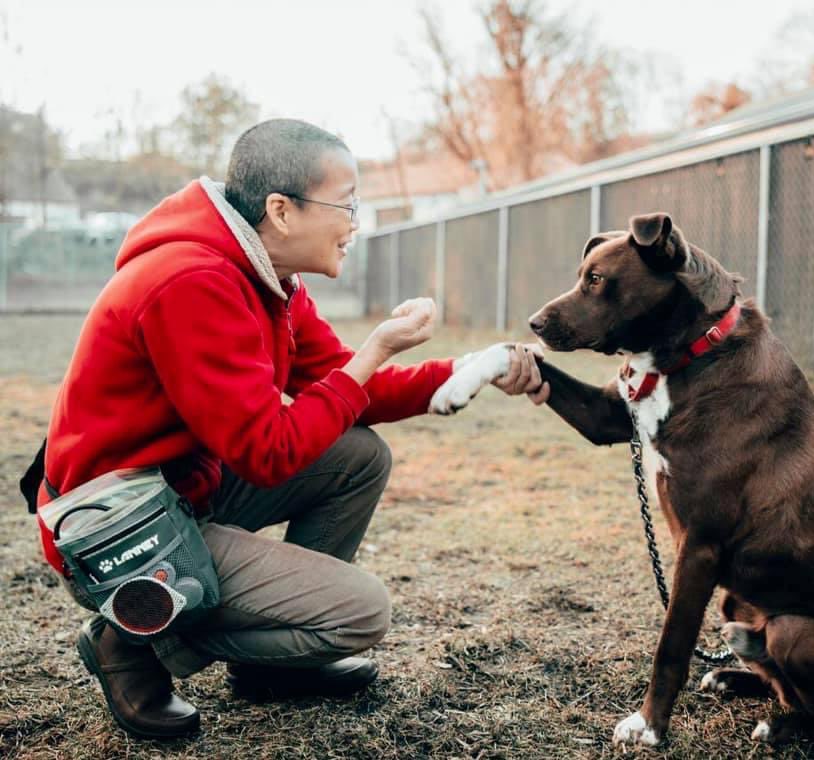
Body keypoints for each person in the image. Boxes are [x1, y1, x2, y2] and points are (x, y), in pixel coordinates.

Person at [32, 119, 544, 739]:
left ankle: (274, 669)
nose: (357, 220)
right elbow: (268, 453)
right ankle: (132, 636)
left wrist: (472, 368)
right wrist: (375, 349)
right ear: (281, 209)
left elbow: (346, 385)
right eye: (347, 202)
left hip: (183, 491)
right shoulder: (193, 280)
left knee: (356, 455)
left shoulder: (266, 276)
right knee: (360, 613)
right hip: (119, 532)